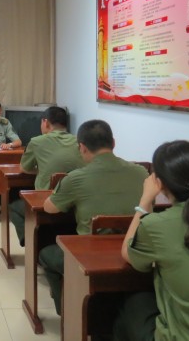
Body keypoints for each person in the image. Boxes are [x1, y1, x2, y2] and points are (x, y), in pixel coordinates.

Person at [114, 140, 189, 341]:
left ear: (159, 183)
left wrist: (145, 201)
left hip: (186, 337)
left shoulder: (155, 225)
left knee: (130, 303)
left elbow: (127, 252)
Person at [38, 119, 148, 315]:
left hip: (90, 257)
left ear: (82, 147)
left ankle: (68, 314)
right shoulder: (141, 172)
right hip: (136, 251)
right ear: (113, 143)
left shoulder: (76, 178)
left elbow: (50, 208)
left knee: (46, 254)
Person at [8, 106, 84, 246]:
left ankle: (31, 243)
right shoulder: (79, 141)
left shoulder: (37, 141)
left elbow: (24, 168)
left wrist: (41, 170)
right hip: (77, 202)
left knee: (13, 206)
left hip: (48, 201)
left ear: (45, 122)